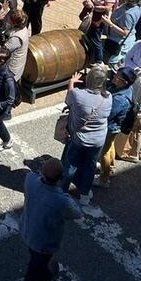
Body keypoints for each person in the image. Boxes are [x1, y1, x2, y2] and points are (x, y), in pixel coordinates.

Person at [6, 157, 82, 281]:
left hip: (27, 230)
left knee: (37, 262)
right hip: (45, 242)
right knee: (30, 279)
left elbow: (35, 176)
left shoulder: (30, 181)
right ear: (60, 179)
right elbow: (77, 213)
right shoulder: (61, 200)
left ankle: (47, 277)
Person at [58, 66, 112, 206]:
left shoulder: (78, 94)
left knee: (70, 166)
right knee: (90, 167)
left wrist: (72, 82)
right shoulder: (108, 97)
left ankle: (62, 191)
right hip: (98, 140)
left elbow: (68, 100)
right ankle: (84, 195)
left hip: (79, 139)